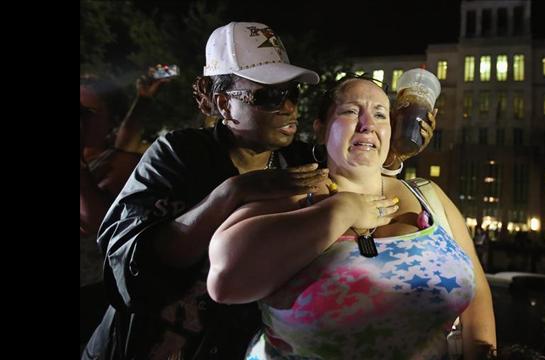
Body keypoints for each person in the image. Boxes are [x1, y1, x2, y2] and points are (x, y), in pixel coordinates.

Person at [82, 21, 435, 359]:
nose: (289, 107)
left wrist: (393, 153)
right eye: (269, 95)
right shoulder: (178, 154)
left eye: (293, 92)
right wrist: (231, 194)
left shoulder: (300, 163)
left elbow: (355, 176)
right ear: (224, 104)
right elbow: (126, 268)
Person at [207, 76, 496, 359]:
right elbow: (225, 280)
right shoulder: (291, 196)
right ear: (320, 129)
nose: (367, 124)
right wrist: (341, 210)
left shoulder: (429, 197)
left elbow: (477, 298)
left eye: (380, 115)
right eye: (350, 111)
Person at [80, 73, 171, 349]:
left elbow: (97, 220)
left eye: (85, 112)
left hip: (90, 292)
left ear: (109, 121)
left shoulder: (117, 165)